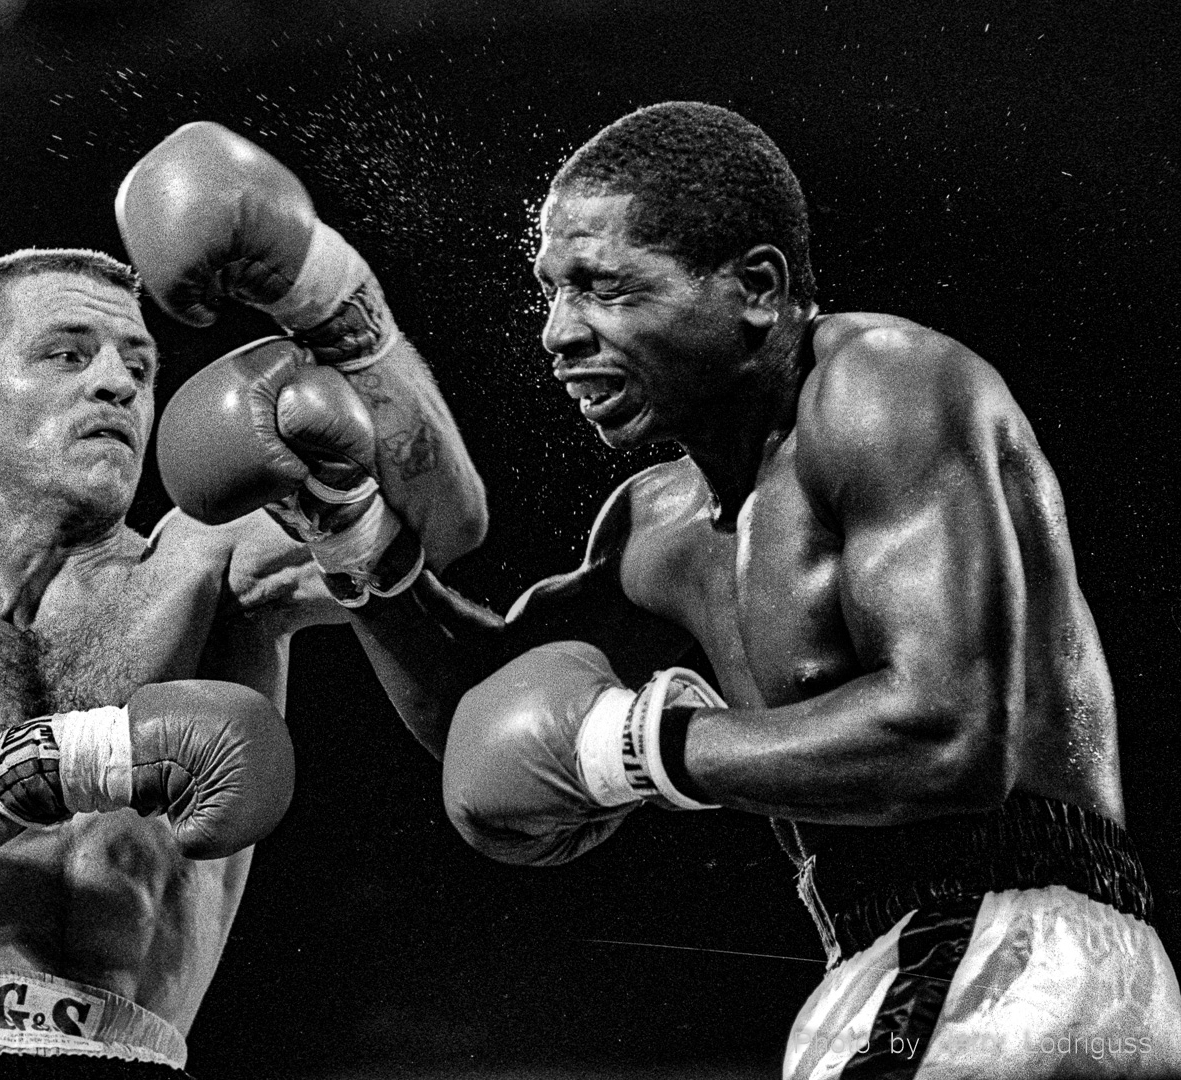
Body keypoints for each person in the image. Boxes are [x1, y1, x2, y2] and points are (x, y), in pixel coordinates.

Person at [346, 101, 1181, 1077]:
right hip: (935, 965)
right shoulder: (652, 525)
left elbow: (949, 736)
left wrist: (644, 748)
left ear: (754, 286)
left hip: (1000, 950)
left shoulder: (877, 387)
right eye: (549, 292)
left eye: (602, 288)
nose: (556, 334)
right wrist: (352, 537)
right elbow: (485, 718)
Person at [0, 121, 485, 1080]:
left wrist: (329, 297)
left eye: (139, 367)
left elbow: (447, 519)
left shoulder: (209, 562)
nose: (115, 383)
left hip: (124, 1059)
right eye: (66, 354)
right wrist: (83, 757)